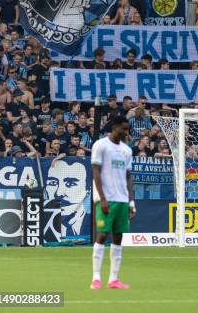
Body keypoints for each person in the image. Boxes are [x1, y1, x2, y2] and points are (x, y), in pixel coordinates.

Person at [90, 115, 134, 290]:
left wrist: (131, 202)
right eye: (123, 128)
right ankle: (96, 278)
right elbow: (96, 172)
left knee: (118, 237)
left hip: (122, 200)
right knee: (101, 235)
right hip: (106, 199)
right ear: (114, 127)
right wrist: (102, 198)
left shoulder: (126, 150)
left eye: (127, 129)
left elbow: (128, 176)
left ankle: (113, 279)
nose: (125, 132)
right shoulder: (100, 145)